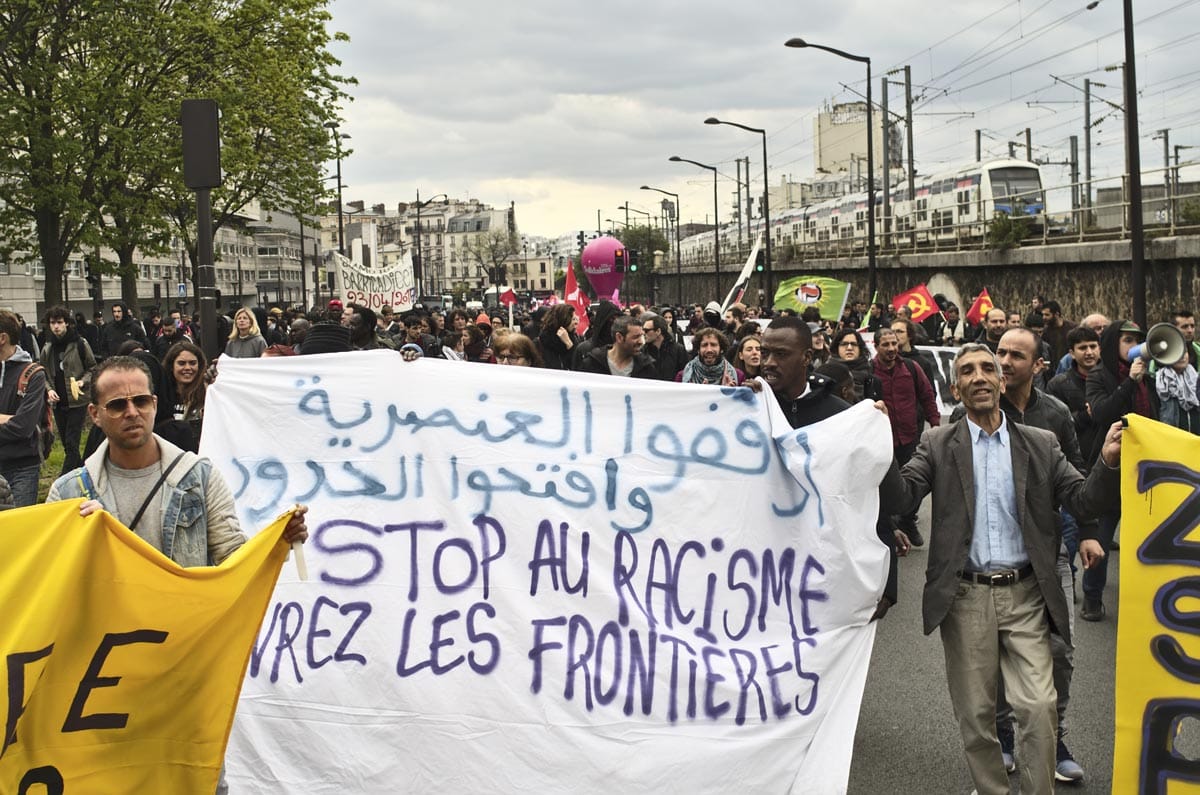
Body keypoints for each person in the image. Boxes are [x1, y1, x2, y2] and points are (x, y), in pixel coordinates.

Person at [894, 342, 1120, 795]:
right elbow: (902, 497)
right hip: (964, 598)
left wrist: (1108, 462)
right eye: (967, 371)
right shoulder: (937, 443)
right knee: (977, 716)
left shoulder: (1041, 443)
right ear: (956, 388)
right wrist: (877, 448)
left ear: (1001, 381)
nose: (979, 376)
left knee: (1038, 706)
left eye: (987, 369)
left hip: (1026, 594)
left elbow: (1081, 499)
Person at [873, 327, 940, 546]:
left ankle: (908, 519)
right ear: (876, 347)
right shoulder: (869, 372)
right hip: (882, 441)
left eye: (895, 344)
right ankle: (888, 527)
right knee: (884, 486)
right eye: (886, 345)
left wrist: (936, 424)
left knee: (918, 482)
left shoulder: (912, 368)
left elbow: (927, 395)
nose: (892, 348)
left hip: (910, 436)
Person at [40, 306, 97, 476]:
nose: (56, 326)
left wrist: (82, 381)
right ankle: (82, 472)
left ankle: (63, 478)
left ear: (66, 323)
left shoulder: (80, 343)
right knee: (66, 444)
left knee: (72, 442)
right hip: (59, 402)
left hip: (77, 401)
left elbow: (92, 368)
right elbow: (43, 372)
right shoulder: (48, 346)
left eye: (59, 322)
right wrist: (49, 390)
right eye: (52, 323)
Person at [0, 310, 47, 506]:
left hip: (21, 469)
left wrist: (14, 421)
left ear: (2, 338)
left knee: (18, 530)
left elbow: (23, 427)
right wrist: (8, 418)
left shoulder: (33, 374)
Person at [162, 342, 208, 452]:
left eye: (192, 363)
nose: (188, 368)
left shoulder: (207, 395)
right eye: (181, 363)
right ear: (171, 366)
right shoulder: (162, 397)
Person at [577, 315, 656, 379]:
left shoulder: (647, 368)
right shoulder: (591, 364)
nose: (641, 342)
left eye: (642, 336)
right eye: (636, 337)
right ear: (619, 337)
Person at [677, 328, 742, 385]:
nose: (709, 350)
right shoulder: (682, 376)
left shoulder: (738, 376)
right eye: (704, 345)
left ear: (721, 349)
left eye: (713, 345)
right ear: (698, 350)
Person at [831, 327, 880, 403]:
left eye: (854, 344)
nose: (849, 348)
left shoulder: (873, 380)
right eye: (844, 344)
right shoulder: (827, 375)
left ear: (860, 348)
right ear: (836, 348)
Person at [643, 314, 688, 381]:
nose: (643, 333)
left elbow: (685, 374)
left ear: (658, 331)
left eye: (646, 330)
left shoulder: (678, 350)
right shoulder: (643, 351)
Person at [536, 304, 579, 371]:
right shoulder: (540, 343)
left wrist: (569, 345)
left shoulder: (574, 339)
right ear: (562, 320)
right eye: (572, 319)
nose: (576, 322)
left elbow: (578, 368)